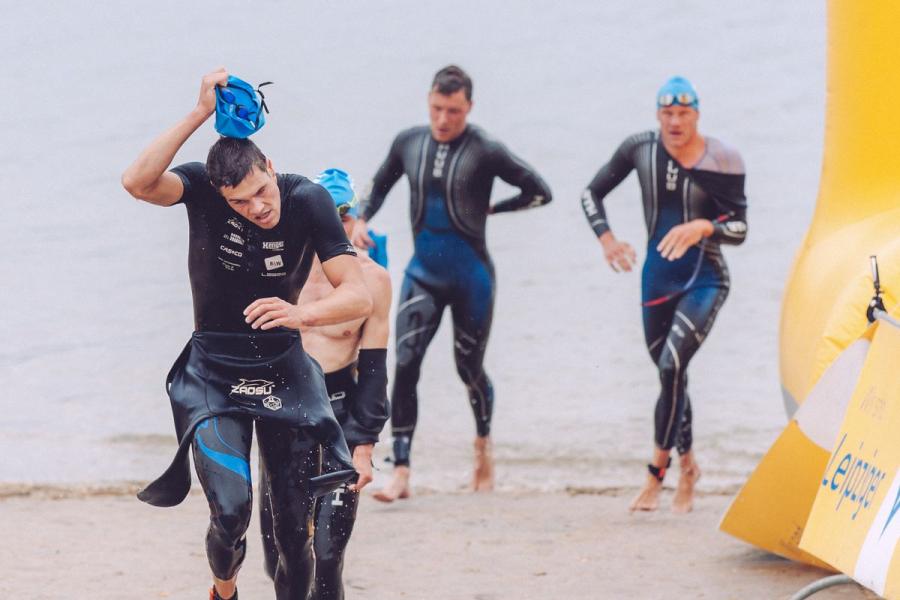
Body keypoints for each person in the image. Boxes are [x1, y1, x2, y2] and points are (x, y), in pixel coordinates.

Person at [121, 69, 372, 600]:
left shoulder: (307, 199)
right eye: (240, 202)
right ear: (220, 194)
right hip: (213, 372)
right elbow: (137, 182)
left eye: (261, 190)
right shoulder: (201, 191)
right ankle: (224, 590)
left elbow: (358, 296)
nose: (258, 207)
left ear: (271, 168)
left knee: (293, 533)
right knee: (231, 512)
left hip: (284, 369)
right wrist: (199, 112)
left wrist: (300, 314)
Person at [351, 65, 552, 499]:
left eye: (454, 111)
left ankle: (483, 447)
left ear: (469, 107)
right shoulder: (408, 142)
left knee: (469, 369)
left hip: (471, 278)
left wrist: (497, 209)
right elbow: (378, 185)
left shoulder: (486, 149)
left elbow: (540, 191)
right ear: (429, 101)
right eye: (437, 108)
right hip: (423, 274)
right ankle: (401, 470)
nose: (443, 119)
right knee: (405, 362)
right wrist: (361, 218)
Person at [581, 76, 747, 513]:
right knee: (671, 375)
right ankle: (689, 466)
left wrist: (704, 226)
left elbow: (740, 228)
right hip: (655, 282)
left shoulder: (722, 159)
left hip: (705, 278)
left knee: (672, 364)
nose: (675, 122)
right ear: (657, 115)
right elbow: (591, 194)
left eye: (683, 114)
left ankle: (656, 474)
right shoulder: (639, 149)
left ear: (697, 115)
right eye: (667, 114)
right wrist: (607, 240)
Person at [258, 168, 392, 599]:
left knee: (328, 554)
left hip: (338, 416)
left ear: (355, 220)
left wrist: (364, 447)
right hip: (284, 413)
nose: (335, 227)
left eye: (344, 217)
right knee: (280, 557)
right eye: (326, 217)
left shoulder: (373, 280)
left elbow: (373, 370)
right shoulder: (279, 271)